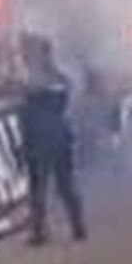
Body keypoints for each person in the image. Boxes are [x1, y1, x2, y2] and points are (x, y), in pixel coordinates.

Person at [19, 35, 86, 246]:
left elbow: (31, 98)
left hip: (43, 136)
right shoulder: (57, 78)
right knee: (59, 184)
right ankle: (74, 226)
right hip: (56, 134)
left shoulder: (40, 81)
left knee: (43, 185)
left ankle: (44, 230)